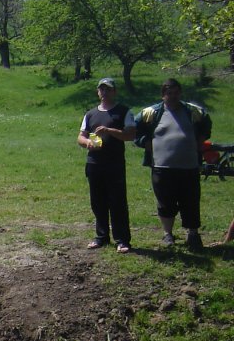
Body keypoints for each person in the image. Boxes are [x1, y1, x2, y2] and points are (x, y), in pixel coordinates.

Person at [134, 78, 212, 250]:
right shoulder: (151, 113)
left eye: (176, 93)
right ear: (163, 95)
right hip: (162, 167)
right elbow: (133, 129)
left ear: (180, 93)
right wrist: (144, 142)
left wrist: (200, 140)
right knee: (165, 202)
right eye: (169, 93)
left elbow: (207, 125)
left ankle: (193, 234)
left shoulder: (193, 111)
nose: (173, 96)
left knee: (190, 201)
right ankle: (168, 234)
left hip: (189, 167)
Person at [78, 78, 135, 253]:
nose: (104, 92)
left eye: (108, 89)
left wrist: (109, 131)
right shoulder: (90, 114)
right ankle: (101, 237)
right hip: (94, 164)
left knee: (117, 202)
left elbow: (130, 135)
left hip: (114, 164)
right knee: (97, 202)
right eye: (101, 89)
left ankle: (122, 240)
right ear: (98, 92)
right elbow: (80, 136)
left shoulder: (123, 112)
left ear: (114, 92)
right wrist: (87, 142)